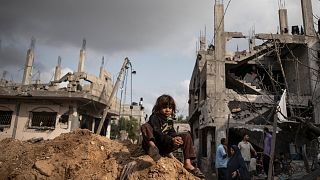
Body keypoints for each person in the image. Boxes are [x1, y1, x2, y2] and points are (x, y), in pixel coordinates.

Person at [140, 94, 205, 178]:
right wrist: (171, 139)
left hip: (164, 147)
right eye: (164, 107)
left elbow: (171, 133)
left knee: (186, 136)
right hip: (155, 144)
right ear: (158, 108)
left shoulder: (169, 120)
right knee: (145, 126)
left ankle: (188, 163)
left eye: (170, 108)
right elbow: (157, 132)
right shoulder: (154, 117)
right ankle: (152, 148)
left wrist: (175, 138)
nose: (167, 110)